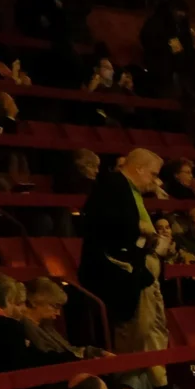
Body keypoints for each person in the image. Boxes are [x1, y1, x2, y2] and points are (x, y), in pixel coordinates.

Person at [78, 148, 162, 347]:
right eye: (153, 174)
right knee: (130, 335)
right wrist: (140, 230)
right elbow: (105, 224)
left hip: (124, 271)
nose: (155, 181)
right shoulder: (112, 185)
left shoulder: (124, 187)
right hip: (111, 275)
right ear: (139, 168)